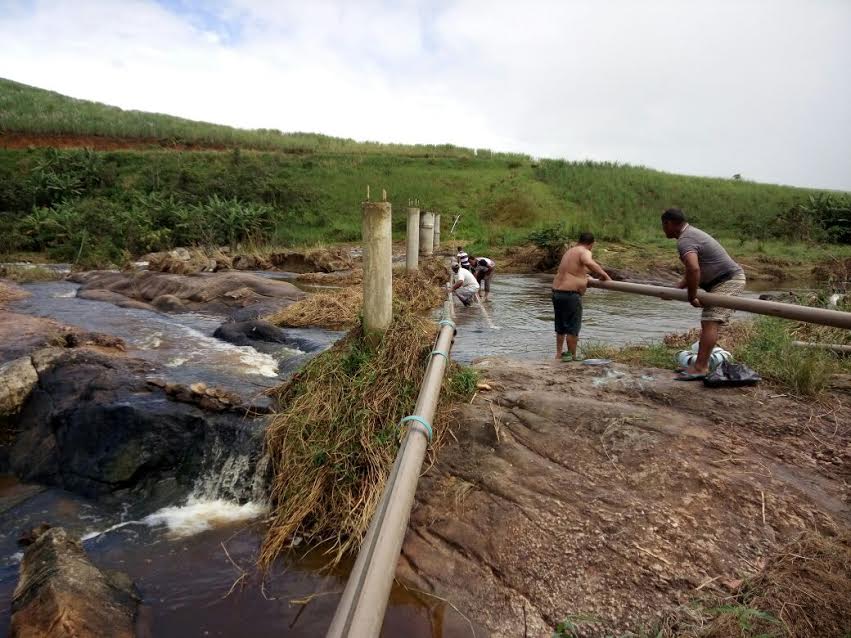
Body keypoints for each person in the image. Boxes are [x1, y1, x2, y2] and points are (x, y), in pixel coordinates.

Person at [661, 208, 746, 379]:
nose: (663, 230)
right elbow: (694, 270)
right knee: (708, 321)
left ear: (668, 223)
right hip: (721, 281)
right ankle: (700, 364)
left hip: (729, 280)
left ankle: (700, 368)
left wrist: (692, 296)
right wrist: (677, 288)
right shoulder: (690, 235)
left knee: (709, 320)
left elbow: (694, 269)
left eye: (663, 225)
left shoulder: (685, 240)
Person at [551, 232, 611, 361]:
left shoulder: (570, 251)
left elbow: (573, 271)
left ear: (579, 241)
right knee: (573, 328)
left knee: (560, 326)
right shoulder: (584, 251)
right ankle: (572, 356)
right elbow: (589, 262)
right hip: (570, 295)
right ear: (592, 244)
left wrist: (585, 276)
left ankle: (558, 354)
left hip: (557, 292)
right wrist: (605, 275)